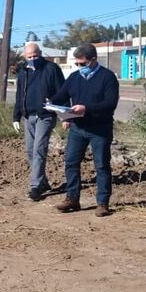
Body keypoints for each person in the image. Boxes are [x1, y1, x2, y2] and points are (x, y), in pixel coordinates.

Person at [48, 43, 120, 217]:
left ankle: (102, 203)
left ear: (93, 60)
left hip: (99, 130)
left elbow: (110, 104)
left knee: (101, 166)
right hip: (78, 129)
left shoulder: (108, 78)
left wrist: (86, 108)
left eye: (83, 64)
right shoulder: (74, 77)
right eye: (77, 64)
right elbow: (62, 95)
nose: (80, 67)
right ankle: (72, 198)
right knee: (71, 162)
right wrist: (51, 102)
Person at [12, 42, 65, 201]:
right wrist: (16, 116)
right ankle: (43, 182)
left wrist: (59, 107)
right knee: (30, 150)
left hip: (45, 116)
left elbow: (63, 90)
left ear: (40, 53)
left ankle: (35, 187)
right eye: (29, 57)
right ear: (25, 57)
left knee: (38, 150)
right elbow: (19, 95)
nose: (33, 59)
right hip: (29, 116)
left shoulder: (51, 69)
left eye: (35, 56)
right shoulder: (24, 72)